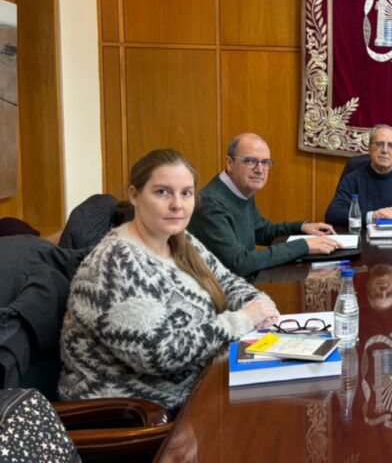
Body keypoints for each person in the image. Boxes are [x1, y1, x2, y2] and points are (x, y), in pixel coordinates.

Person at [59, 149, 281, 412]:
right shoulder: (116, 261)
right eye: (162, 192)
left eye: (186, 193)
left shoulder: (181, 240)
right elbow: (160, 354)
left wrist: (259, 304)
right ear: (134, 196)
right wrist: (243, 319)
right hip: (136, 413)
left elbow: (228, 281)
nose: (177, 204)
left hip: (198, 387)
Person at [188, 133, 341, 277]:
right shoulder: (210, 204)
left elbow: (261, 231)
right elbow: (240, 263)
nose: (259, 170)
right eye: (250, 161)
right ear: (229, 163)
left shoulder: (242, 189)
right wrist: (304, 246)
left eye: (265, 162)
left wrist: (302, 227)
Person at [325, 125, 392, 227]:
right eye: (379, 144)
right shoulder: (352, 179)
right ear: (369, 148)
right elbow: (333, 214)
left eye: (391, 145)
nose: (385, 150)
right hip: (364, 243)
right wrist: (372, 216)